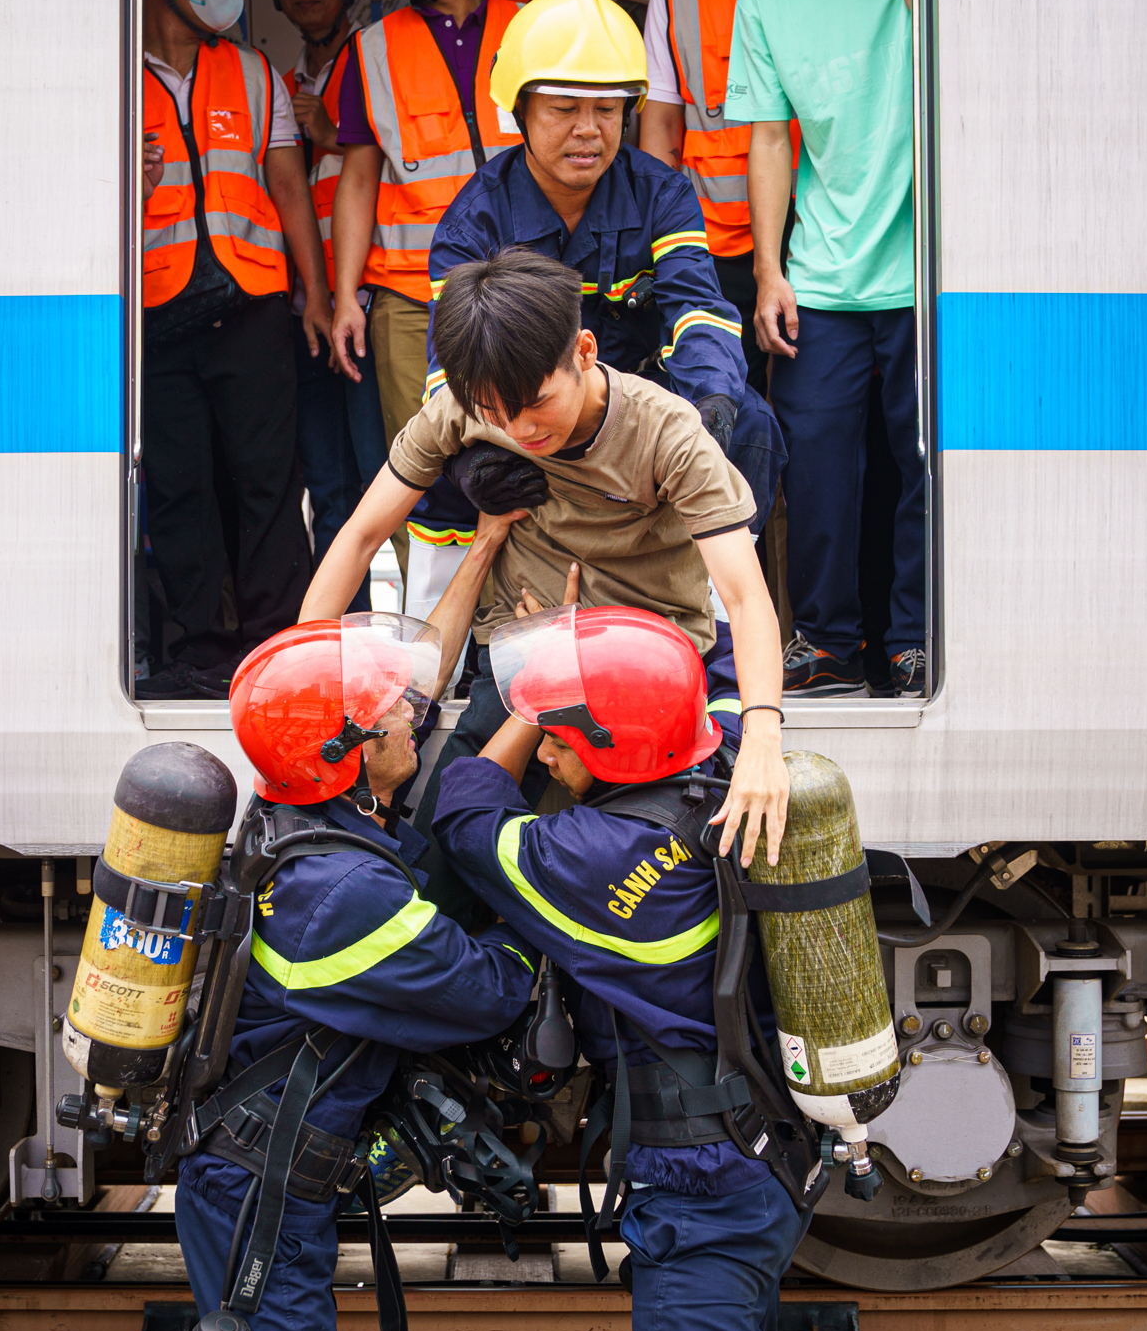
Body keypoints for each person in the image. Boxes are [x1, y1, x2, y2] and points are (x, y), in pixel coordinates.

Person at [176, 529, 540, 1331]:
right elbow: (489, 987)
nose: (409, 718)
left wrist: (478, 557)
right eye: (389, 718)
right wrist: (541, 912)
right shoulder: (346, 900)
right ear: (346, 752)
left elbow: (423, 754)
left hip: (250, 1173)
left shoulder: (304, 822)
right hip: (260, 1202)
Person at [432, 603, 799, 1331]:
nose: (548, 744)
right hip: (757, 1155)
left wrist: (514, 709)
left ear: (616, 745)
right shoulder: (720, 758)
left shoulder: (595, 860)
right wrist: (573, 650)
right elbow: (713, 665)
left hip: (701, 1185)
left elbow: (463, 817)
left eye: (561, 729)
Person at [300, 249, 790, 909]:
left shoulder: (665, 431)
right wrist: (303, 683)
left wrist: (763, 738)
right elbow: (359, 536)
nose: (520, 430)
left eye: (535, 405)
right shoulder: (460, 408)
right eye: (494, 414)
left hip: (643, 680)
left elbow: (742, 595)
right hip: (519, 658)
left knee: (616, 883)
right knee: (446, 862)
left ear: (584, 351)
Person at [403, 0, 784, 636]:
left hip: (636, 416)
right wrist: (478, 455)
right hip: (524, 421)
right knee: (445, 469)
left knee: (750, 425)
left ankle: (718, 628)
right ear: (519, 111)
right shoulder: (474, 217)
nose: (588, 129)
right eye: (564, 109)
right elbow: (452, 370)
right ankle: (434, 648)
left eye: (608, 109)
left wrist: (711, 406)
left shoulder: (661, 192)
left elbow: (696, 308)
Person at [726, 0, 924, 697]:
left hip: (935, 273)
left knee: (929, 463)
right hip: (826, 275)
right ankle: (830, 644)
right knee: (816, 474)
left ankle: (917, 635)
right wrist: (769, 270)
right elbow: (770, 139)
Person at [138, 0, 328, 699]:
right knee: (179, 485)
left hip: (253, 306)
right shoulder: (104, 79)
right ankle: (197, 651)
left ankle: (273, 647)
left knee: (267, 483)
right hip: (156, 315)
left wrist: (314, 294)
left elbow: (289, 187)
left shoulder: (253, 72)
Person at [325, 0, 524, 580]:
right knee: (420, 469)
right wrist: (347, 295)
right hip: (411, 301)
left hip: (521, 292)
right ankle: (429, 637)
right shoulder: (369, 50)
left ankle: (518, 631)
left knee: (528, 457)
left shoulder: (531, 30)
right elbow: (358, 179)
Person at [639, 0, 804, 630]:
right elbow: (660, 138)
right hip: (711, 262)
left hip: (820, 255)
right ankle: (732, 624)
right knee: (725, 439)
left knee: (811, 447)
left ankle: (806, 626)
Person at [263, 0, 386, 604]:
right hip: (298, 308)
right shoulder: (269, 82)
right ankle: (345, 640)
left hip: (369, 300)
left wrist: (334, 131)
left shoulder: (374, 63)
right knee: (327, 482)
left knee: (382, 476)